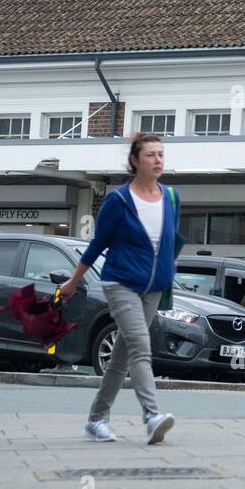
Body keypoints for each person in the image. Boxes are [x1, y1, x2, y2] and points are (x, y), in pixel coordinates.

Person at [59, 132, 178, 444]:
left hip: (153, 288)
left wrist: (167, 276)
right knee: (140, 345)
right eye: (151, 154)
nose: (158, 160)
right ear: (135, 161)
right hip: (121, 282)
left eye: (161, 154)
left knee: (122, 358)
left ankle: (96, 419)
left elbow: (168, 244)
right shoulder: (119, 200)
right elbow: (98, 244)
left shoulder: (171, 198)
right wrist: (74, 281)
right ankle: (152, 415)